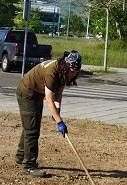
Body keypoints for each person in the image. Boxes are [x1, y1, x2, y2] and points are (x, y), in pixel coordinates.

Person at [14, 50, 83, 178]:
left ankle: (21, 156)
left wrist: (58, 109)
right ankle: (29, 166)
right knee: (32, 130)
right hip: (27, 93)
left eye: (76, 72)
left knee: (30, 126)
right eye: (72, 71)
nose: (73, 74)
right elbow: (49, 100)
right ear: (66, 66)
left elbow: (59, 92)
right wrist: (59, 122)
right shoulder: (52, 72)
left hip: (36, 94)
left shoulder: (63, 72)